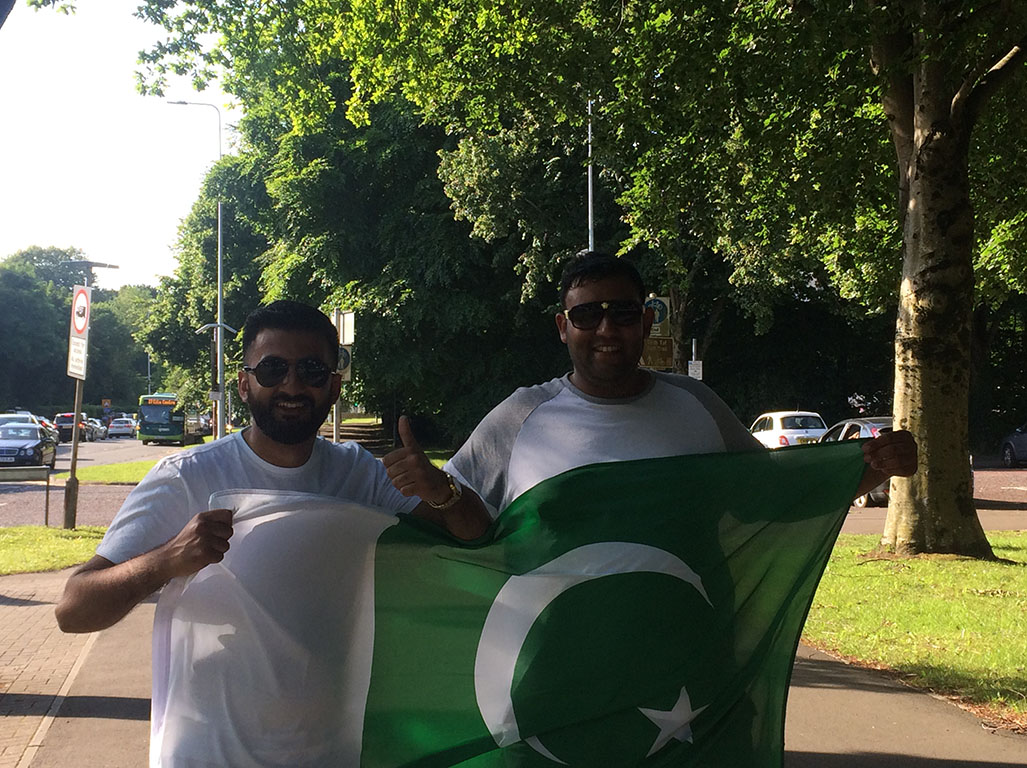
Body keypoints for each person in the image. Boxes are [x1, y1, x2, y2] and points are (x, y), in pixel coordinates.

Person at [55, 300, 489, 760]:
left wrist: (441, 490)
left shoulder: (360, 475)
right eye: (273, 369)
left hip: (332, 752)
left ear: (335, 386)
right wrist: (167, 560)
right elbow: (73, 610)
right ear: (244, 384)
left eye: (311, 370)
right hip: (210, 752)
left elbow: (476, 540)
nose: (292, 385)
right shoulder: (187, 476)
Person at [387, 251, 917, 519]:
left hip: (688, 676)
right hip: (554, 685)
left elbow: (774, 499)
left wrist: (870, 468)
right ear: (562, 327)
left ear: (645, 322)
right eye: (587, 315)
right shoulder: (520, 418)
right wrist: (431, 490)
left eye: (622, 313)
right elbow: (456, 520)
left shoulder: (697, 405)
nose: (606, 329)